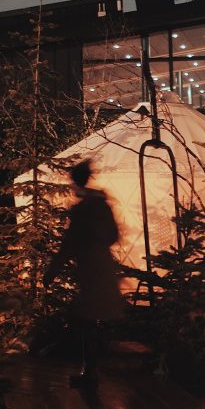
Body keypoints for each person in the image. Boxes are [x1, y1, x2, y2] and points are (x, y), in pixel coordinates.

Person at [43, 159, 125, 391]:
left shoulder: (81, 210)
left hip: (89, 267)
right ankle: (92, 369)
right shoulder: (103, 206)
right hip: (103, 265)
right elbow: (113, 236)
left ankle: (90, 371)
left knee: (85, 320)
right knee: (94, 319)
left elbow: (69, 244)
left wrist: (52, 271)